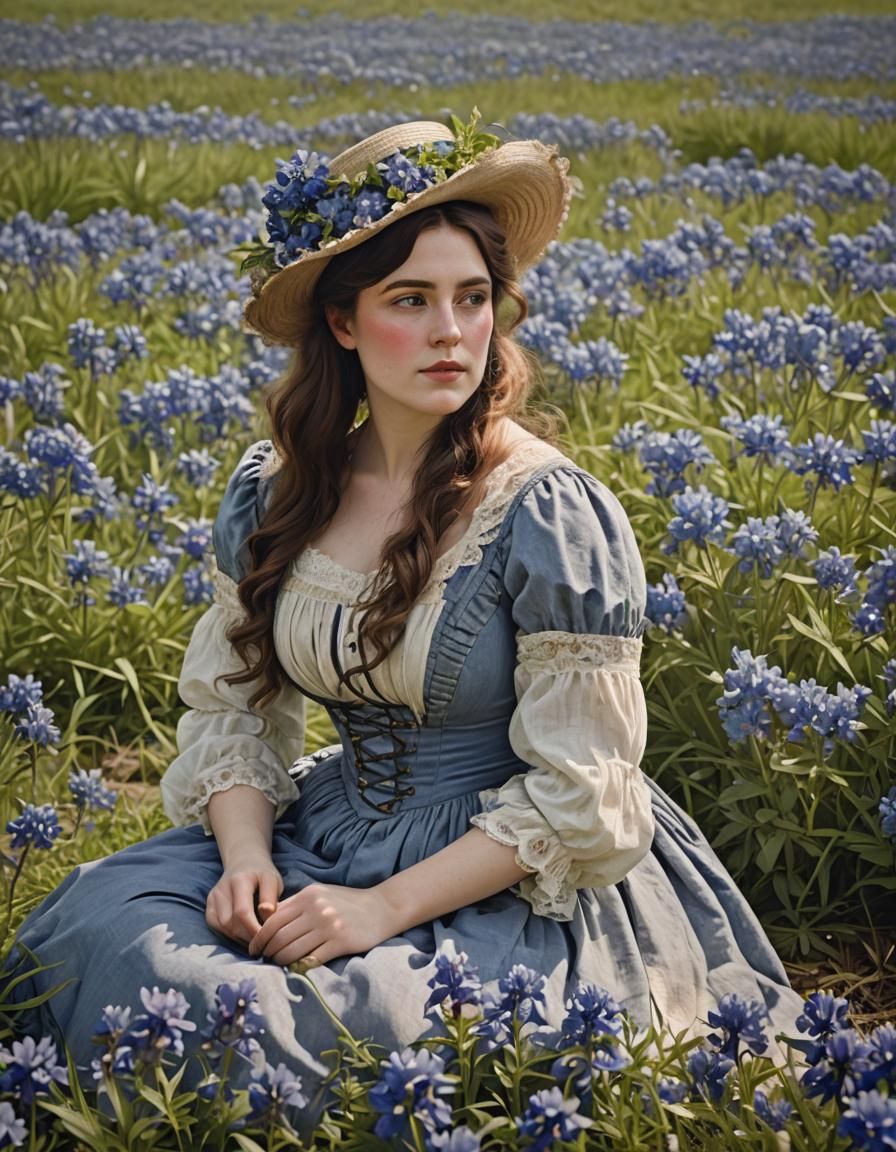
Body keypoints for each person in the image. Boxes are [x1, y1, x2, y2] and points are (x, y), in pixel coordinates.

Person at [4, 115, 804, 1131]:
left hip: (509, 869)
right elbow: (236, 709)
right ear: (342, 323)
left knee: (266, 1025)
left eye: (473, 299)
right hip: (325, 829)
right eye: (409, 300)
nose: (450, 332)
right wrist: (247, 858)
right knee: (99, 931)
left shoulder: (544, 510)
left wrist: (379, 910)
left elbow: (582, 790)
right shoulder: (280, 491)